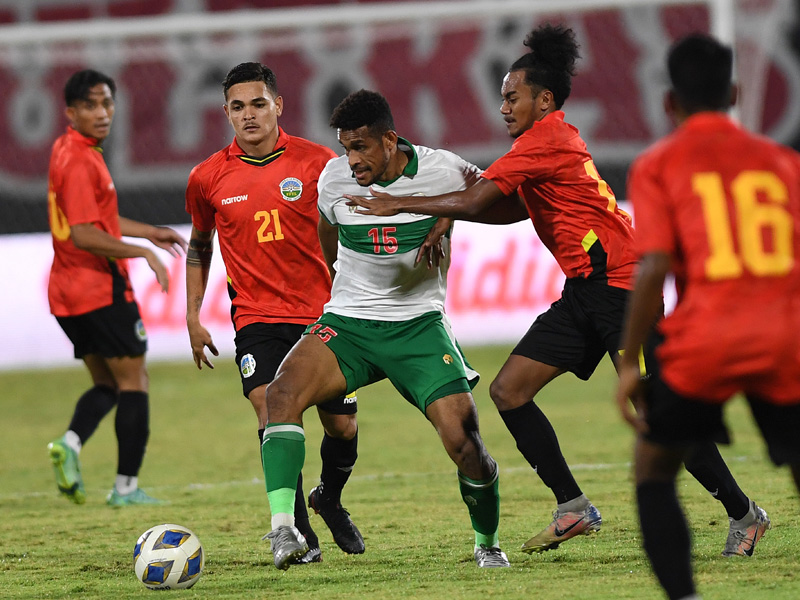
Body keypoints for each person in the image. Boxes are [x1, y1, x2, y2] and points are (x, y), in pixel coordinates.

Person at [346, 23, 768, 557]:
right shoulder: (540, 145)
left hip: (623, 287)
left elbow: (478, 199)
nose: (503, 107)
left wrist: (400, 203)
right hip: (586, 290)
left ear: (543, 100)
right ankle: (573, 507)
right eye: (502, 98)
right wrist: (447, 218)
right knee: (509, 391)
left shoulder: (544, 140)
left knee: (657, 411)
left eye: (512, 97)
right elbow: (510, 209)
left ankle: (745, 514)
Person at [259, 89, 508, 571]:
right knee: (280, 394)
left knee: (465, 443)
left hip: (418, 326)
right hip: (349, 322)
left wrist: (447, 213)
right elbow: (327, 230)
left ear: (390, 140)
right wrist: (341, 282)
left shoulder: (444, 169)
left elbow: (496, 199)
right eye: (345, 147)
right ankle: (284, 528)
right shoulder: (333, 179)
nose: (351, 160)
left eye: (360, 147)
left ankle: (488, 543)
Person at [616, 33, 800, 600]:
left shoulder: (658, 164)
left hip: (707, 341)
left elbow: (653, 266)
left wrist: (627, 361)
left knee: (653, 469)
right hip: (784, 337)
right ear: (736, 93)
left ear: (669, 101)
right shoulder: (784, 162)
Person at [184, 62, 363, 565]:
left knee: (342, 428)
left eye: (258, 104)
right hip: (256, 318)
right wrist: (193, 315)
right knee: (271, 408)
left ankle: (329, 498)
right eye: (238, 106)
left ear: (278, 105)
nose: (249, 115)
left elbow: (352, 223)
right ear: (225, 112)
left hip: (322, 316)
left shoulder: (319, 163)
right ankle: (297, 535)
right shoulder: (207, 177)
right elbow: (199, 246)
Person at [46, 69, 188, 507]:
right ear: (70, 112)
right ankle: (125, 488)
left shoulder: (68, 149)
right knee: (134, 382)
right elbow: (84, 234)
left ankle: (69, 443)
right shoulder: (80, 160)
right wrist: (142, 252)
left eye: (107, 103)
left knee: (106, 383)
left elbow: (96, 220)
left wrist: (149, 232)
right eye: (90, 105)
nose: (102, 112)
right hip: (99, 290)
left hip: (66, 292)